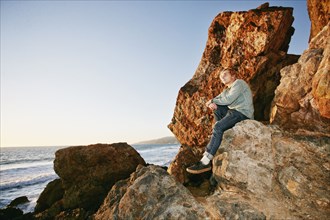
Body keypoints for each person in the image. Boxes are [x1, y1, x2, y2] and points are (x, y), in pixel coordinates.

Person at [186, 68, 254, 174]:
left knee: (217, 125)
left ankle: (205, 162)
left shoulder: (239, 83)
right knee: (217, 107)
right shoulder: (226, 90)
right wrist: (212, 103)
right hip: (234, 112)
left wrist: (212, 101)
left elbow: (228, 100)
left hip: (242, 113)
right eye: (221, 76)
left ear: (233, 76)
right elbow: (216, 100)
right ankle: (221, 129)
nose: (222, 77)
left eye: (225, 74)